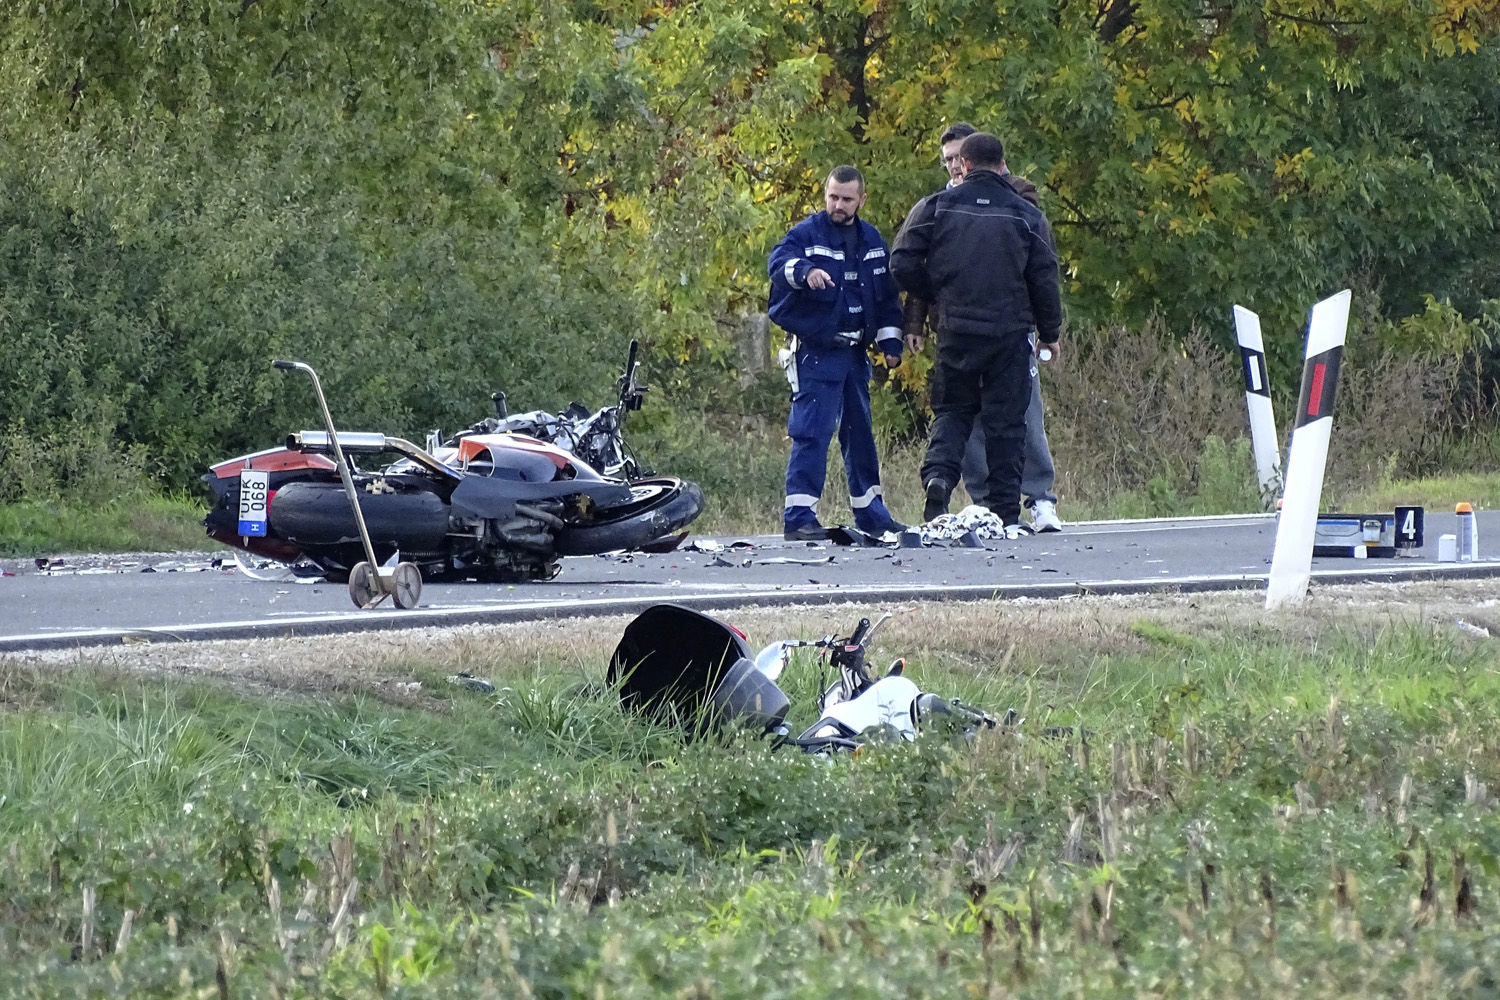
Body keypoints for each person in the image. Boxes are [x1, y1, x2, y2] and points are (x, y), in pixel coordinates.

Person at [891, 132, 1062, 531]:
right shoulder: (1026, 214)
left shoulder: (936, 207)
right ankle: (1004, 512)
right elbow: (1044, 279)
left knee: (952, 413)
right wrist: (1049, 332)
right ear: (1002, 165)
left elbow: (901, 260)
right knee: (1006, 422)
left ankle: (938, 481)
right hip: (1008, 332)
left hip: (956, 329)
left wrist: (936, 292)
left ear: (964, 166)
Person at [768, 165, 906, 541]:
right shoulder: (806, 234)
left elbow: (887, 298)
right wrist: (806, 271)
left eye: (846, 199)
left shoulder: (872, 241)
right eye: (833, 197)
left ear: (862, 199)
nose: (838, 205)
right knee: (811, 433)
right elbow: (779, 264)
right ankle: (799, 516)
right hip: (816, 354)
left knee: (860, 433)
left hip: (855, 356)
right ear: (824, 194)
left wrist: (891, 344)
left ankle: (872, 515)